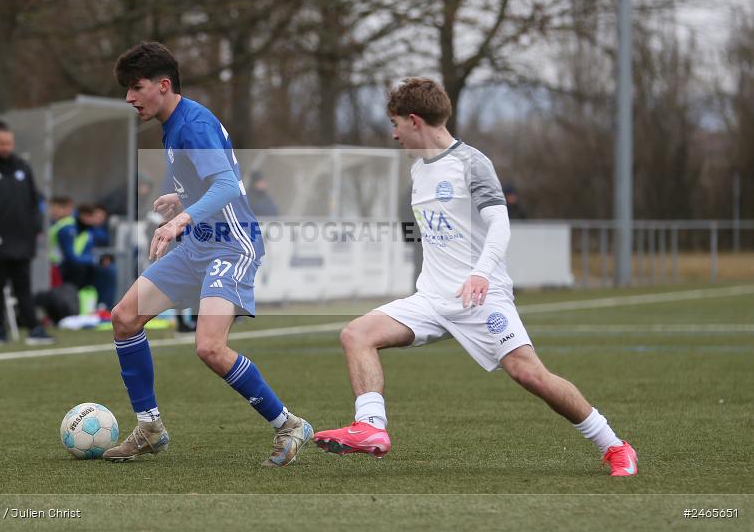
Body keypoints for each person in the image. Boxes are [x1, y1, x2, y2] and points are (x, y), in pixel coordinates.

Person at [312, 78, 637, 477]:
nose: (394, 134)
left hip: (480, 298)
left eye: (395, 124)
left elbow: (500, 224)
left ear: (414, 121)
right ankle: (371, 428)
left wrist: (480, 274)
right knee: (356, 335)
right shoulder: (417, 172)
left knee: (529, 374)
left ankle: (615, 446)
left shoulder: (471, 163)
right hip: (431, 299)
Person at [103, 41, 312, 466]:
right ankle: (150, 427)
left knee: (210, 347)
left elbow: (228, 187)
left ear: (163, 85)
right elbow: (219, 177)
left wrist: (180, 219)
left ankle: (289, 424)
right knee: (125, 318)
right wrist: (181, 198)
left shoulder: (192, 124)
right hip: (200, 244)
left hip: (232, 245)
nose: (129, 97)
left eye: (135, 87)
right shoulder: (175, 122)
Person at [0, 122, 54, 345]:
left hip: (22, 240)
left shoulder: (22, 167)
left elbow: (34, 201)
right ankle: (0, 332)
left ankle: (33, 328)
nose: (6, 147)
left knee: (23, 286)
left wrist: (34, 228)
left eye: (9, 143)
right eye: (2, 143)